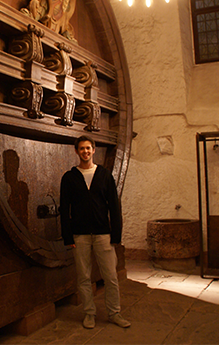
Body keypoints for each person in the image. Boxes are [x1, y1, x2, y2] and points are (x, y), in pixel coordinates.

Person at [59, 135, 131, 329]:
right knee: (83, 277)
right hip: (80, 235)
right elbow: (64, 209)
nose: (85, 151)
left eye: (88, 148)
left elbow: (114, 207)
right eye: (81, 148)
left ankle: (114, 313)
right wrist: (67, 236)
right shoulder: (69, 177)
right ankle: (89, 313)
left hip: (103, 234)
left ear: (94, 150)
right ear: (76, 151)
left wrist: (116, 235)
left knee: (111, 277)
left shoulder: (105, 175)